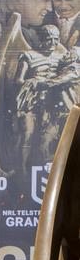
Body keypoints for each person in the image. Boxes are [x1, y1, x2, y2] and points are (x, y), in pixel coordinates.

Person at [15, 25, 80, 173]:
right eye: (48, 39)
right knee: (28, 134)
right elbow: (18, 80)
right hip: (31, 102)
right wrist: (33, 83)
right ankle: (21, 170)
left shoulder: (62, 57)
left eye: (56, 39)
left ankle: (48, 170)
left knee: (49, 138)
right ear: (41, 39)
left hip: (52, 104)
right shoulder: (28, 55)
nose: (52, 43)